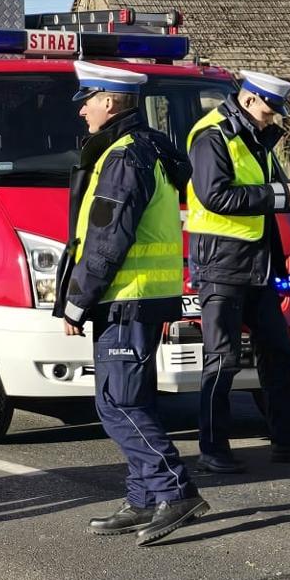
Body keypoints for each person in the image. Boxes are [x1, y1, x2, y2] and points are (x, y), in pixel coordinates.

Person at [54, 61, 209, 545]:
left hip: (128, 298)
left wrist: (77, 301)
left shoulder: (122, 158)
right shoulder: (149, 147)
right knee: (125, 400)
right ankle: (143, 499)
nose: (81, 112)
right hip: (140, 297)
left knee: (118, 404)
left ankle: (175, 491)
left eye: (86, 101)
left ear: (108, 101)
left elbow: (107, 238)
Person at [184, 70, 290, 476]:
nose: (271, 119)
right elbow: (214, 195)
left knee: (277, 351)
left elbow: (267, 193)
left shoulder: (254, 137)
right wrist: (279, 195)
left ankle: (285, 441)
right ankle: (213, 449)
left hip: (257, 266)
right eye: (268, 110)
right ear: (248, 101)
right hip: (221, 265)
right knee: (222, 360)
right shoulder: (212, 135)